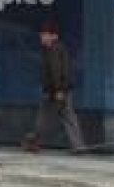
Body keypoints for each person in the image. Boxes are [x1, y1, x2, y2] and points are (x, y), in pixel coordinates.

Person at [23, 18, 84, 152]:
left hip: (55, 91)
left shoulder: (54, 49)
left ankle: (33, 141)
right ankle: (77, 145)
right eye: (42, 34)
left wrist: (59, 90)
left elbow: (56, 70)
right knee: (61, 117)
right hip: (55, 90)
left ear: (53, 36)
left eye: (44, 35)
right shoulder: (54, 49)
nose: (42, 37)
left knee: (51, 117)